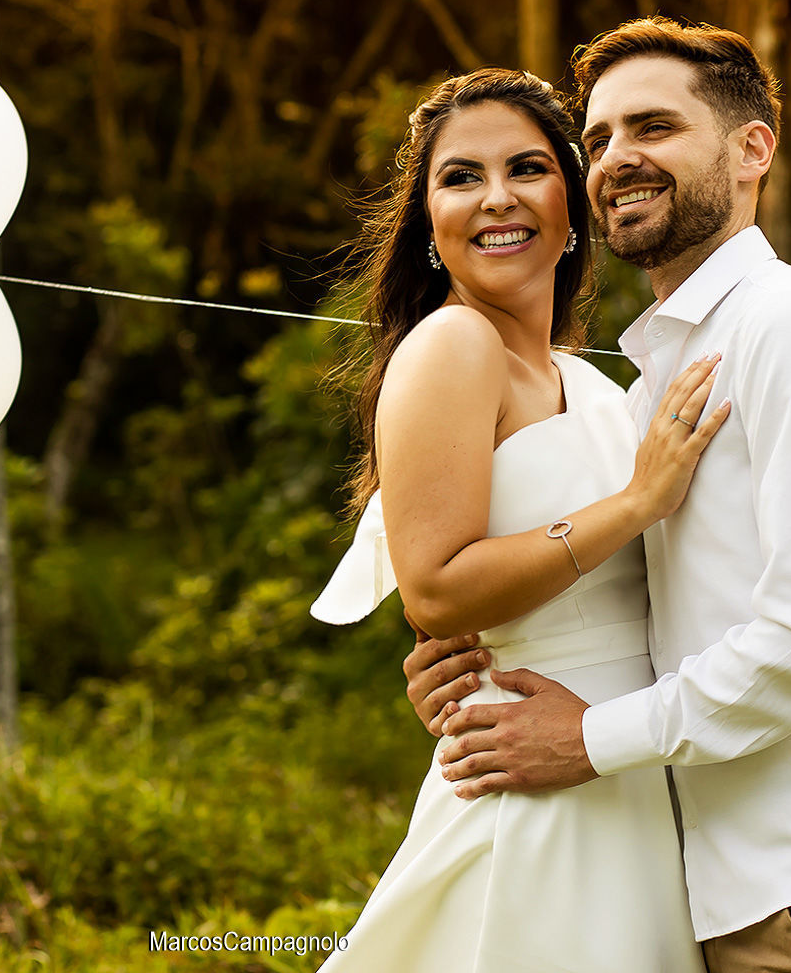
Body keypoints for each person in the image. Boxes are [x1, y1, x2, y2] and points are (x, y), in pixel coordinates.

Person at [407, 18, 791, 973]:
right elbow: (628, 607)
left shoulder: (789, 325)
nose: (618, 159)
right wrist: (478, 673)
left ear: (753, 150)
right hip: (718, 898)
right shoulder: (642, 394)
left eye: (654, 128)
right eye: (598, 140)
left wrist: (587, 737)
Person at [308, 67, 729, 972]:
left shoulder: (587, 381)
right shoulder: (454, 345)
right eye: (460, 177)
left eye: (526, 168)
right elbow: (434, 586)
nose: (496, 197)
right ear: (429, 224)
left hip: (622, 765)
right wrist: (633, 504)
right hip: (533, 782)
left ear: (571, 202)